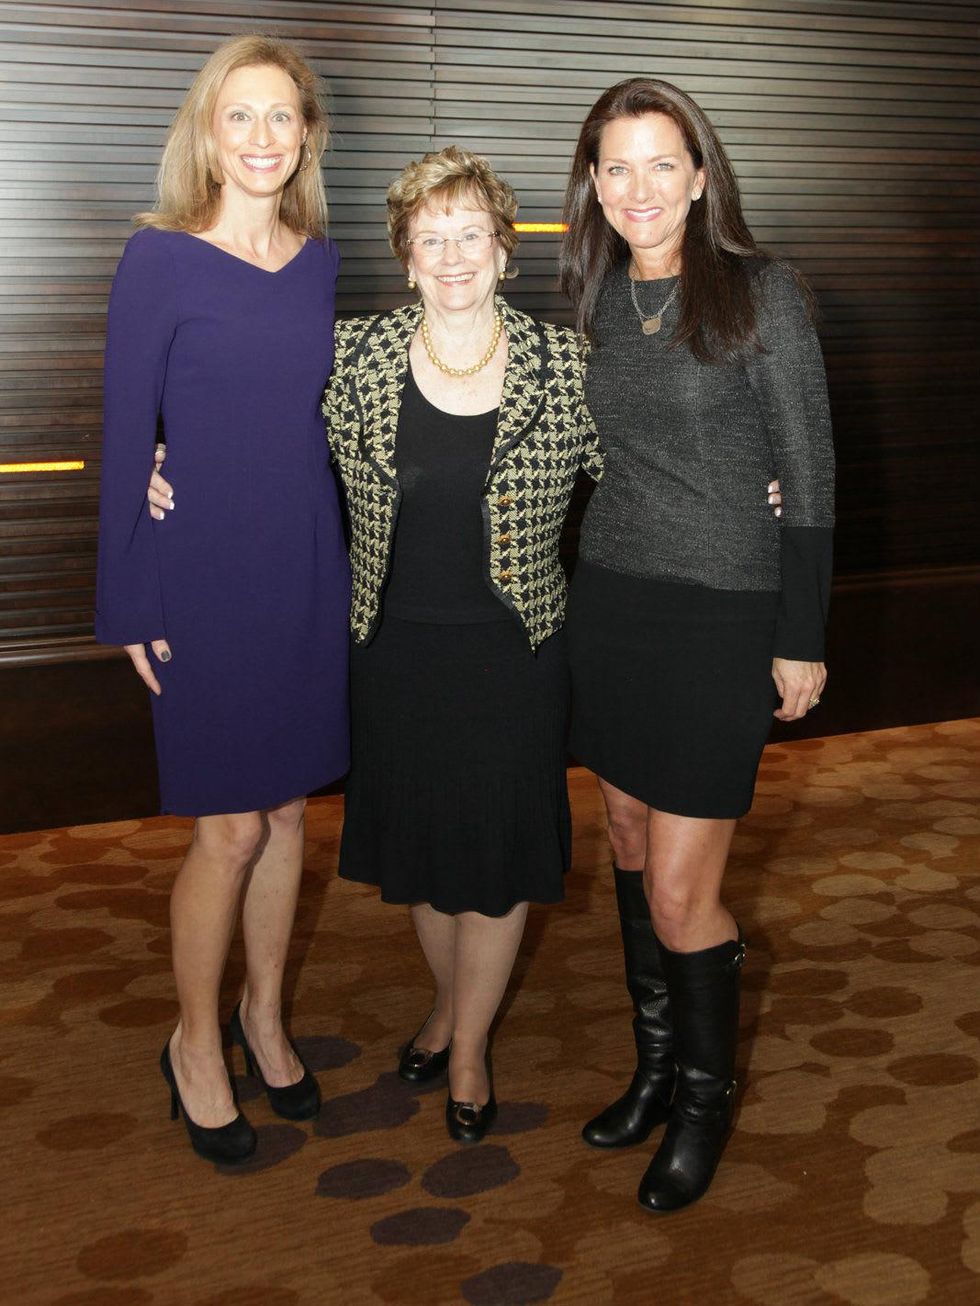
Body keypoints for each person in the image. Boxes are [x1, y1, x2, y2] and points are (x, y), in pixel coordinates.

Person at [559, 77, 835, 1212]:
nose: (638, 189)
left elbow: (807, 468)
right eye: (614, 167)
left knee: (682, 892)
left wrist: (799, 636)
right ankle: (657, 1065)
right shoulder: (589, 297)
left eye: (659, 163)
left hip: (723, 607)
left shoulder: (760, 293)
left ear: (701, 173)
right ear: (590, 182)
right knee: (624, 829)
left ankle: (704, 1102)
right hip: (612, 602)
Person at [96, 36, 350, 1164]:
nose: (260, 138)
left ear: (306, 135)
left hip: (300, 558)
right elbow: (121, 436)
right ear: (207, 131)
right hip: (197, 568)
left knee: (292, 812)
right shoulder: (157, 259)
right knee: (229, 825)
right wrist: (127, 592)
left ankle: (263, 1014)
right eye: (238, 116)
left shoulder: (320, 263)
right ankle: (195, 1039)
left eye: (280, 117)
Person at [320, 145, 602, 1142]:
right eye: (428, 237)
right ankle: (448, 1003)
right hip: (391, 651)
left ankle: (471, 1042)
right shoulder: (354, 356)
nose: (450, 255)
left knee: (493, 856)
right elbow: (268, 447)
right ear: (404, 255)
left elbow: (641, 465)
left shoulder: (561, 360)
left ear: (501, 248)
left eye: (468, 234)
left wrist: (757, 482)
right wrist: (166, 459)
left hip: (512, 654)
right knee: (426, 856)